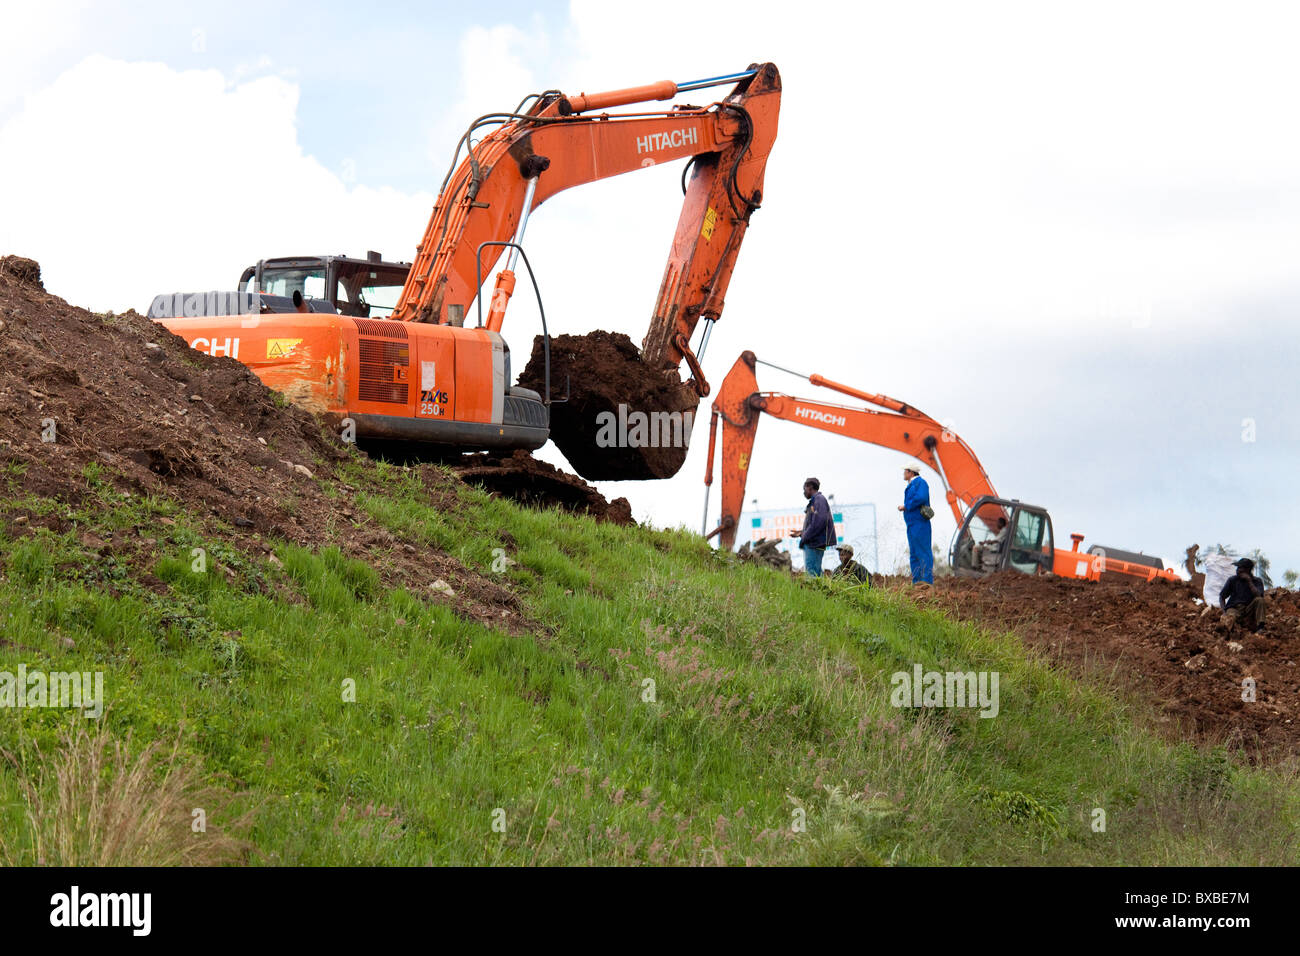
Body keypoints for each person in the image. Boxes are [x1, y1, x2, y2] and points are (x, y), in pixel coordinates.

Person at [788, 477, 837, 576]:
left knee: (812, 574)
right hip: (815, 542)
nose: (803, 492)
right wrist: (802, 532)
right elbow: (815, 523)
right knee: (816, 573)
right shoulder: (816, 501)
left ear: (810, 487)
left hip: (814, 543)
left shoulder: (819, 500)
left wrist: (805, 536)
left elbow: (819, 522)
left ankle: (815, 591)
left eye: (804, 489)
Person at [897, 462, 933, 584]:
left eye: (905, 471)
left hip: (920, 523)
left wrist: (906, 506)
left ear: (910, 472)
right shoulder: (912, 484)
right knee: (914, 553)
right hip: (912, 524)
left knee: (923, 551)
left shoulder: (920, 483)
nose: (903, 473)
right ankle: (917, 581)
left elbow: (921, 497)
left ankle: (927, 582)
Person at [1219, 557, 1266, 633]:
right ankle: (1227, 633)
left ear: (1248, 570)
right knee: (1231, 617)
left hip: (1248, 609)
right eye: (1237, 568)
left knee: (1259, 600)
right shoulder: (1233, 580)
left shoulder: (1257, 581)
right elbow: (1222, 596)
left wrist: (1249, 581)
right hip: (1234, 608)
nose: (1237, 570)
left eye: (1240, 568)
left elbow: (1259, 596)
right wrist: (1224, 612)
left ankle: (1260, 627)